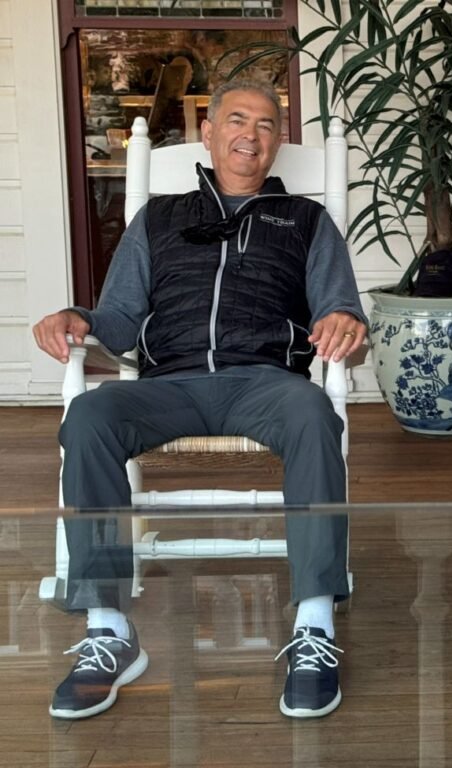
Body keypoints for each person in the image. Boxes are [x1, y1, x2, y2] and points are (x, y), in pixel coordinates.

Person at [32, 79, 367, 721]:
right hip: (169, 384)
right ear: (208, 133)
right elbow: (120, 319)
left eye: (266, 124)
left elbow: (339, 306)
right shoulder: (158, 219)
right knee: (90, 414)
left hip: (265, 381)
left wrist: (343, 321)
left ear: (277, 142)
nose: (251, 135)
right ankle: (109, 630)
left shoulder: (306, 221)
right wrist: (79, 317)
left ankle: (315, 625)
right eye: (237, 120)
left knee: (313, 413)